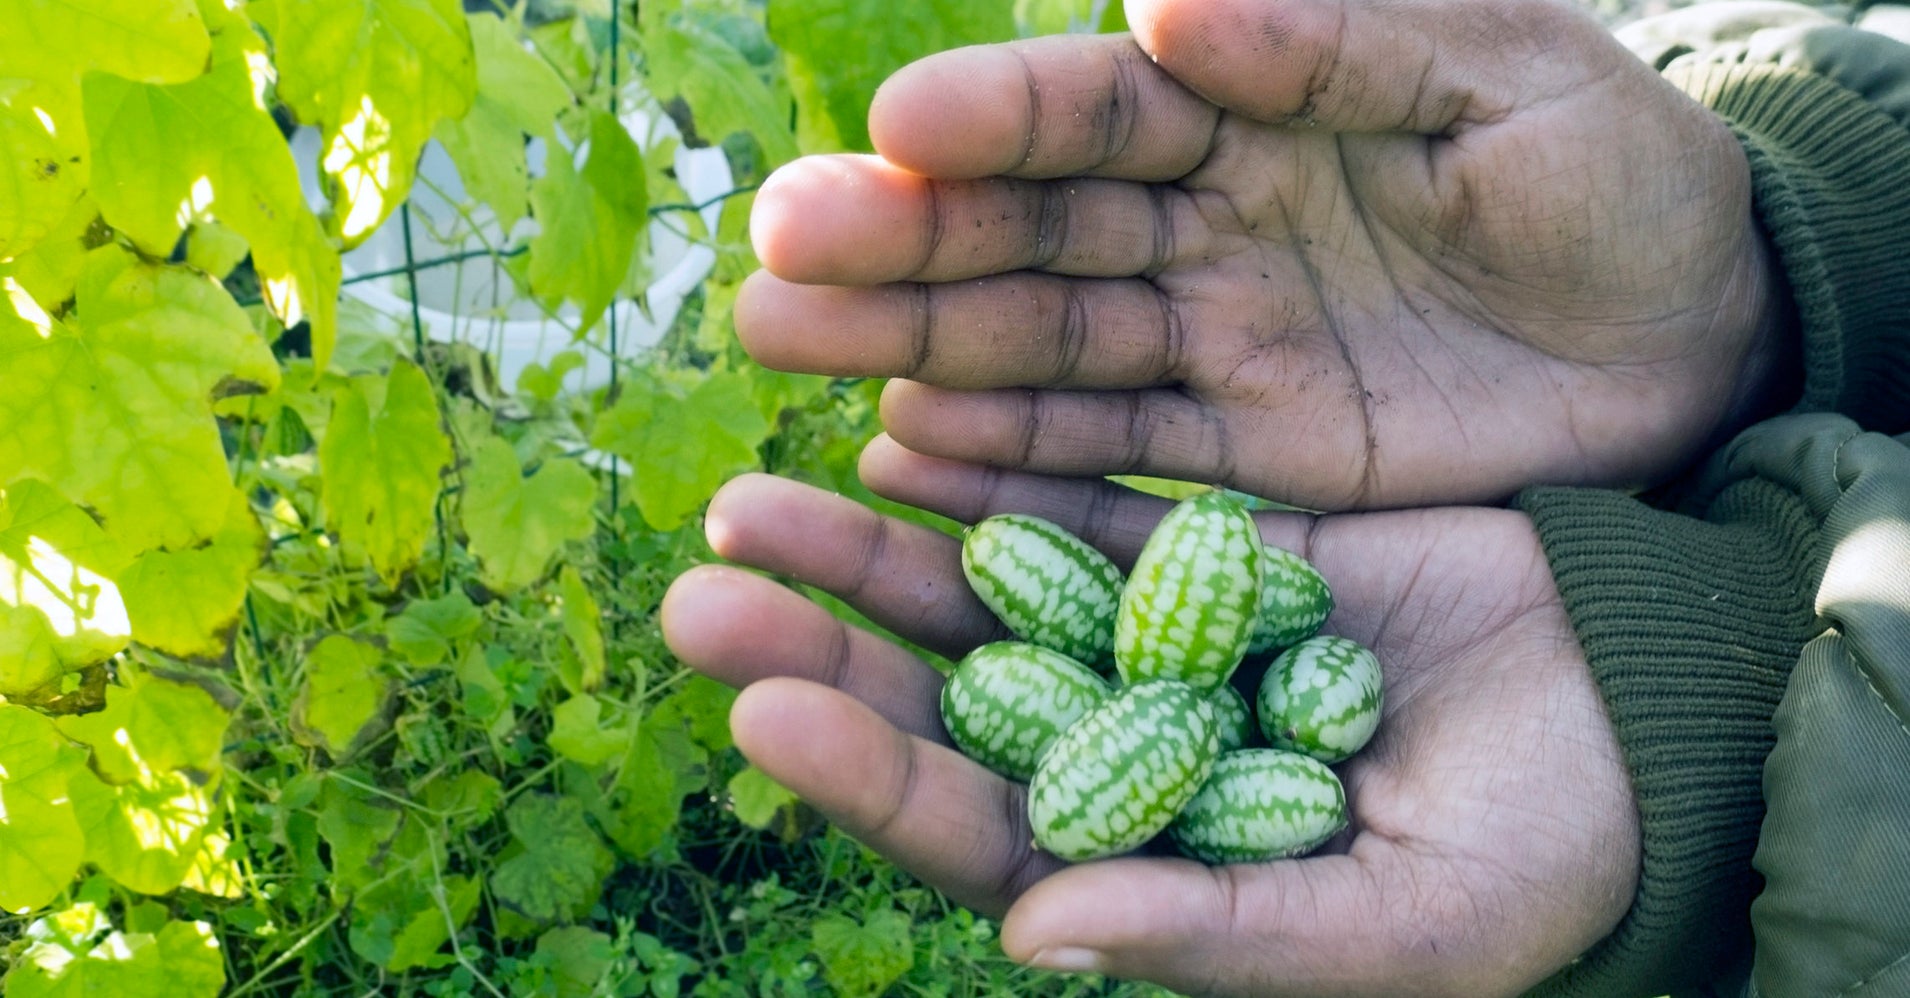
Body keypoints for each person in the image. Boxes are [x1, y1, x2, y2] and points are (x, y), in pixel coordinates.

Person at [661, 0, 1910, 993]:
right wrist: (1784, 256)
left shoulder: (1192, 695)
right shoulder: (1182, 691)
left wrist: (1723, 685)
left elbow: (1172, 704)